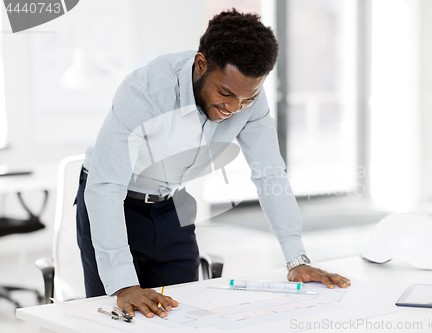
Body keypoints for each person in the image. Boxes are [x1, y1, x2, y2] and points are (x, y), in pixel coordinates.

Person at [76, 8, 351, 319]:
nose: (234, 108)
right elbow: (105, 188)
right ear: (201, 64)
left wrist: (296, 259)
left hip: (170, 205)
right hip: (113, 203)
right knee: (120, 318)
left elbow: (270, 173)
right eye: (226, 93)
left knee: (180, 315)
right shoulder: (147, 90)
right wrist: (123, 285)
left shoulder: (249, 100)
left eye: (247, 98)